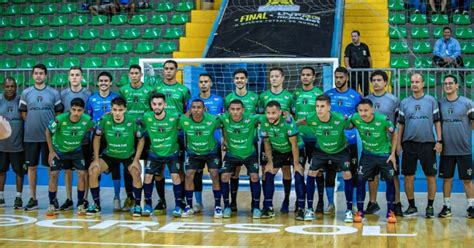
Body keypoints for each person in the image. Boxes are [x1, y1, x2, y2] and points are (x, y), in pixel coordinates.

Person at [300, 95, 356, 223]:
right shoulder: (311, 117)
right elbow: (300, 122)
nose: (319, 109)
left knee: (347, 174)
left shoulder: (340, 118)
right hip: (321, 151)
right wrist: (289, 123)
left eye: (322, 106)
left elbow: (353, 125)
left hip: (340, 150)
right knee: (311, 173)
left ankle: (348, 210)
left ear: (329, 107)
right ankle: (309, 209)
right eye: (317, 106)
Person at [86, 97, 144, 216]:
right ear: (111, 109)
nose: (117, 113)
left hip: (128, 155)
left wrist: (137, 160)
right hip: (110, 155)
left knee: (136, 172)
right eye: (115, 109)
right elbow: (96, 138)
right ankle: (96, 205)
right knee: (92, 171)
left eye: (120, 110)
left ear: (125, 110)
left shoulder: (132, 121)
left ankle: (138, 205)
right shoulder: (104, 120)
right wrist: (96, 159)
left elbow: (141, 140)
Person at [19, 64, 63, 211]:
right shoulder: (26, 93)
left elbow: (58, 114)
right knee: (32, 168)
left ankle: (53, 199)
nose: (38, 76)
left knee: (52, 169)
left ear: (46, 75)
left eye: (41, 73)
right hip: (30, 138)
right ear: (33, 75)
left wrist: (50, 130)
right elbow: (23, 114)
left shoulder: (53, 93)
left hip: (48, 139)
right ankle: (33, 198)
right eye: (36, 73)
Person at [398, 73, 442, 218]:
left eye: (417, 81)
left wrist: (439, 141)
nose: (414, 84)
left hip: (427, 144)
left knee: (431, 176)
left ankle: (430, 207)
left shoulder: (431, 101)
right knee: (408, 177)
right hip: (409, 145)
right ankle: (412, 206)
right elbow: (401, 125)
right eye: (412, 82)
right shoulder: (404, 102)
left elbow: (437, 122)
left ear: (423, 83)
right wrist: (398, 144)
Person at [351, 99, 398, 224]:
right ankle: (360, 211)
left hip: (384, 155)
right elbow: (347, 124)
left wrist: (393, 154)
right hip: (367, 155)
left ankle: (391, 212)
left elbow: (394, 133)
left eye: (366, 110)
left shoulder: (383, 119)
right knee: (360, 180)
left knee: (390, 182)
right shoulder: (355, 118)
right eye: (360, 110)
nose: (362, 113)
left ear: (372, 110)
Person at [45, 98, 94, 216]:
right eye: (74, 110)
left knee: (82, 174)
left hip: (76, 151)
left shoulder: (87, 120)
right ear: (70, 109)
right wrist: (51, 151)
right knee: (54, 174)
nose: (76, 113)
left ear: (83, 111)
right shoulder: (60, 119)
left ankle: (81, 204)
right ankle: (52, 204)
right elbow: (48, 131)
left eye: (79, 110)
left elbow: (94, 128)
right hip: (59, 150)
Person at [324, 67, 362, 215]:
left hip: (350, 141)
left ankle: (351, 204)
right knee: (330, 172)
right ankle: (330, 204)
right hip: (332, 141)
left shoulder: (355, 96)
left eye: (341, 77)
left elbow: (359, 117)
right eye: (336, 77)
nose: (338, 80)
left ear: (346, 77)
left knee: (351, 172)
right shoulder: (328, 95)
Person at [365, 70, 403, 217]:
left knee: (392, 176)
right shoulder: (367, 100)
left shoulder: (394, 100)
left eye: (379, 80)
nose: (376, 82)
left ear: (385, 82)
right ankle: (372, 202)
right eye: (373, 80)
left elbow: (399, 124)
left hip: (388, 146)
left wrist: (398, 145)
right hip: (371, 145)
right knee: (371, 175)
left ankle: (397, 203)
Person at [154, 60, 190, 214]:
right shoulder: (156, 89)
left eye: (171, 69)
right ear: (163, 71)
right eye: (166, 69)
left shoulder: (183, 90)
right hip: (160, 133)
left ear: (176, 71)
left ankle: (180, 201)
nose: (168, 71)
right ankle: (161, 201)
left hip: (178, 134)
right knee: (158, 170)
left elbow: (188, 111)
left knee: (179, 169)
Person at [260, 101, 305, 219]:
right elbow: (266, 143)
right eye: (268, 113)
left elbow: (294, 144)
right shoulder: (264, 121)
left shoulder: (288, 122)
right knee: (268, 173)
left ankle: (300, 208)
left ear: (280, 112)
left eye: (273, 113)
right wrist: (269, 162)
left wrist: (295, 164)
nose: (270, 116)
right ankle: (268, 207)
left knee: (298, 173)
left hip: (294, 149)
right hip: (278, 150)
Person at [187, 73, 224, 213]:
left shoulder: (218, 100)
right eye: (201, 81)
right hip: (196, 144)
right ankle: (198, 202)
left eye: (206, 81)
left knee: (215, 173)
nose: (203, 84)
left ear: (211, 84)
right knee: (196, 174)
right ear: (198, 84)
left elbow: (223, 121)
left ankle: (218, 204)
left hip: (214, 144)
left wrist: (224, 140)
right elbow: (187, 120)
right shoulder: (192, 102)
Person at [119, 64, 154, 212]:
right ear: (129, 75)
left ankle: (147, 199)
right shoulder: (124, 90)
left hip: (146, 132)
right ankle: (130, 197)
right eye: (131, 73)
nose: (134, 75)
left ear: (141, 75)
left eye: (136, 73)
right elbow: (120, 108)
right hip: (129, 133)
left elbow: (153, 109)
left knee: (149, 167)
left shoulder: (149, 90)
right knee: (129, 166)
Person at [141, 93, 183, 217]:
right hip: (154, 153)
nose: (157, 107)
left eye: (160, 104)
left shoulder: (175, 116)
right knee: (148, 176)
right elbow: (131, 120)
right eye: (154, 104)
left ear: (165, 104)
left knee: (176, 176)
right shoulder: (146, 117)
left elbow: (187, 119)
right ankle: (148, 205)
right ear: (151, 105)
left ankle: (178, 206)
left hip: (172, 153)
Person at [437, 75, 474, 219]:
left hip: (464, 149)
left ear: (457, 85)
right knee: (447, 179)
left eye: (451, 83)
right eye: (445, 83)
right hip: (446, 150)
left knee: (467, 180)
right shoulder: (440, 104)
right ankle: (447, 206)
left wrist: (464, 132)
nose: (448, 86)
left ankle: (471, 206)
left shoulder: (467, 103)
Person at [259, 67, 294, 213]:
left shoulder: (289, 96)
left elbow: (292, 116)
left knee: (286, 169)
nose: (273, 78)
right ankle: (268, 203)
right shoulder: (263, 96)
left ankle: (286, 199)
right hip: (268, 138)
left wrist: (288, 117)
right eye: (271, 76)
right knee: (266, 170)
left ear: (282, 78)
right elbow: (260, 115)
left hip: (284, 139)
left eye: (276, 76)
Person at [218, 99, 262, 218]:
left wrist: (285, 114)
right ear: (229, 110)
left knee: (254, 176)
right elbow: (209, 121)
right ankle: (227, 206)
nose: (235, 112)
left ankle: (256, 207)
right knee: (224, 176)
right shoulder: (223, 118)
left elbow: (269, 117)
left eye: (238, 109)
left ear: (243, 110)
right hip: (232, 154)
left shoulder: (252, 118)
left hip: (249, 154)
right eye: (232, 109)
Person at [180, 99, 222, 218]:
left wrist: (226, 143)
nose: (196, 110)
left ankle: (218, 206)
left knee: (214, 174)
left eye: (199, 107)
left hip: (210, 151)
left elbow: (225, 124)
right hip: (193, 152)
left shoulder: (212, 120)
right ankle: (188, 205)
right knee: (189, 174)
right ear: (190, 109)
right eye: (193, 107)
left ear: (204, 109)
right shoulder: (184, 121)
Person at [224, 68, 259, 212]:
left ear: (246, 80)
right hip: (234, 140)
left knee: (254, 174)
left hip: (251, 140)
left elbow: (261, 118)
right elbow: (226, 123)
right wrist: (225, 140)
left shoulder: (255, 97)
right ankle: (232, 203)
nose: (239, 80)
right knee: (234, 172)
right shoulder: (228, 98)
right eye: (237, 78)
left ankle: (255, 205)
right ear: (234, 80)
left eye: (242, 78)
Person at [59, 66, 92, 212]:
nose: (74, 77)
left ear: (81, 77)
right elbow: (60, 117)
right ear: (68, 77)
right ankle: (69, 199)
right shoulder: (63, 94)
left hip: (83, 140)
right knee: (67, 171)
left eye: (77, 75)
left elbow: (89, 117)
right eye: (72, 75)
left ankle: (83, 199)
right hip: (66, 141)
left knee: (83, 171)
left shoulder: (88, 94)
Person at [293, 67, 324, 214]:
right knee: (298, 170)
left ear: (313, 77)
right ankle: (300, 203)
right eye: (303, 75)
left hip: (316, 139)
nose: (305, 77)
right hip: (299, 139)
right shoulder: (296, 94)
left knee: (317, 172)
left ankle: (320, 202)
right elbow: (292, 115)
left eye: (308, 75)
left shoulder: (319, 94)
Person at [0, 77, 24, 209]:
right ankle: (1, 196)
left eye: (12, 86)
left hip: (17, 146)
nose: (10, 89)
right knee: (1, 172)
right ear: (4, 87)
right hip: (1, 146)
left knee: (19, 172)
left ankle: (18, 197)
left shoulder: (21, 100)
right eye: (7, 86)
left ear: (16, 87)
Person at [344, 30, 372, 96]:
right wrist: (348, 67)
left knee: (366, 91)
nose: (353, 38)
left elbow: (369, 58)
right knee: (352, 91)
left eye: (355, 36)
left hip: (364, 72)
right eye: (352, 36)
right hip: (353, 73)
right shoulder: (349, 47)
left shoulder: (364, 46)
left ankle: (366, 104)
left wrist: (370, 69)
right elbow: (346, 58)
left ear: (359, 36)